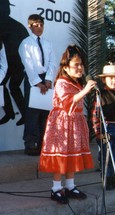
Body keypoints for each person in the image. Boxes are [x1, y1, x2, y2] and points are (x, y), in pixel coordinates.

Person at [39, 44, 96, 204]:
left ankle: (70, 185)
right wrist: (85, 91)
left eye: (81, 64)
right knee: (60, 155)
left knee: (71, 154)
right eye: (76, 64)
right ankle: (56, 188)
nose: (80, 68)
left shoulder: (76, 83)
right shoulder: (61, 82)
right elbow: (67, 102)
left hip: (75, 122)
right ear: (66, 67)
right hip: (62, 124)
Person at [19, 14, 57, 155]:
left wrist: (48, 80)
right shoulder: (26, 43)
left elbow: (52, 62)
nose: (39, 27)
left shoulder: (48, 43)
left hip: (46, 79)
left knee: (45, 113)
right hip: (32, 79)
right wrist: (37, 83)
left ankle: (43, 143)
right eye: (36, 25)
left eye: (41, 24)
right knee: (32, 113)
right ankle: (30, 144)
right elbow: (28, 64)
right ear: (30, 26)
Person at [0, 0, 29, 125]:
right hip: (7, 63)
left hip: (17, 63)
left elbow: (27, 45)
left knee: (11, 87)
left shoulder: (16, 25)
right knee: (5, 86)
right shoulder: (16, 25)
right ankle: (11, 112)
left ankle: (18, 113)